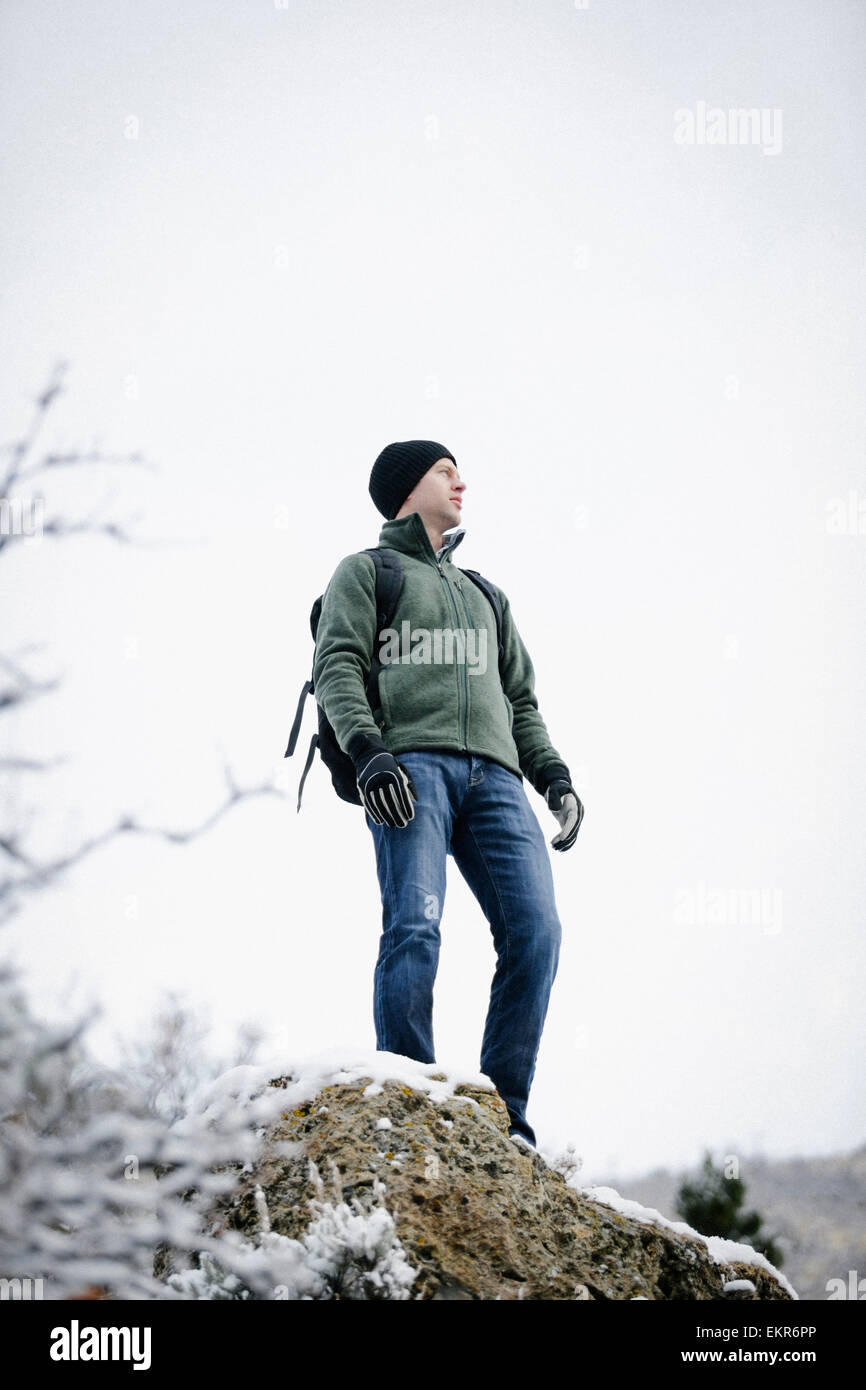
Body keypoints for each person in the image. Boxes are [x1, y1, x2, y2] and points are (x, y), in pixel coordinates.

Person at [312, 440, 583, 1149]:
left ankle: (505, 1120)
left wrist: (553, 776)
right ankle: (408, 1098)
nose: (460, 482)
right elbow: (338, 663)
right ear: (407, 487)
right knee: (414, 925)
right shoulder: (367, 572)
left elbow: (520, 700)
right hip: (411, 772)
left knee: (537, 933)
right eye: (444, 471)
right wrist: (369, 754)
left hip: (497, 781)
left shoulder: (487, 594)